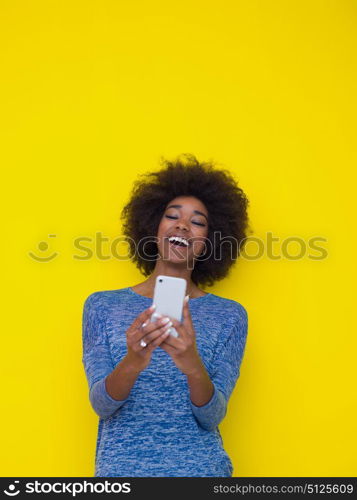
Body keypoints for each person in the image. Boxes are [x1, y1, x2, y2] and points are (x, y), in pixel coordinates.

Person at [82, 153, 251, 477]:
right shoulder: (102, 306)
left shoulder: (229, 316)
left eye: (198, 221)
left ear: (209, 242)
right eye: (172, 215)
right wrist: (133, 360)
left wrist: (191, 363)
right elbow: (102, 406)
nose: (183, 225)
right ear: (152, 226)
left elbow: (212, 416)